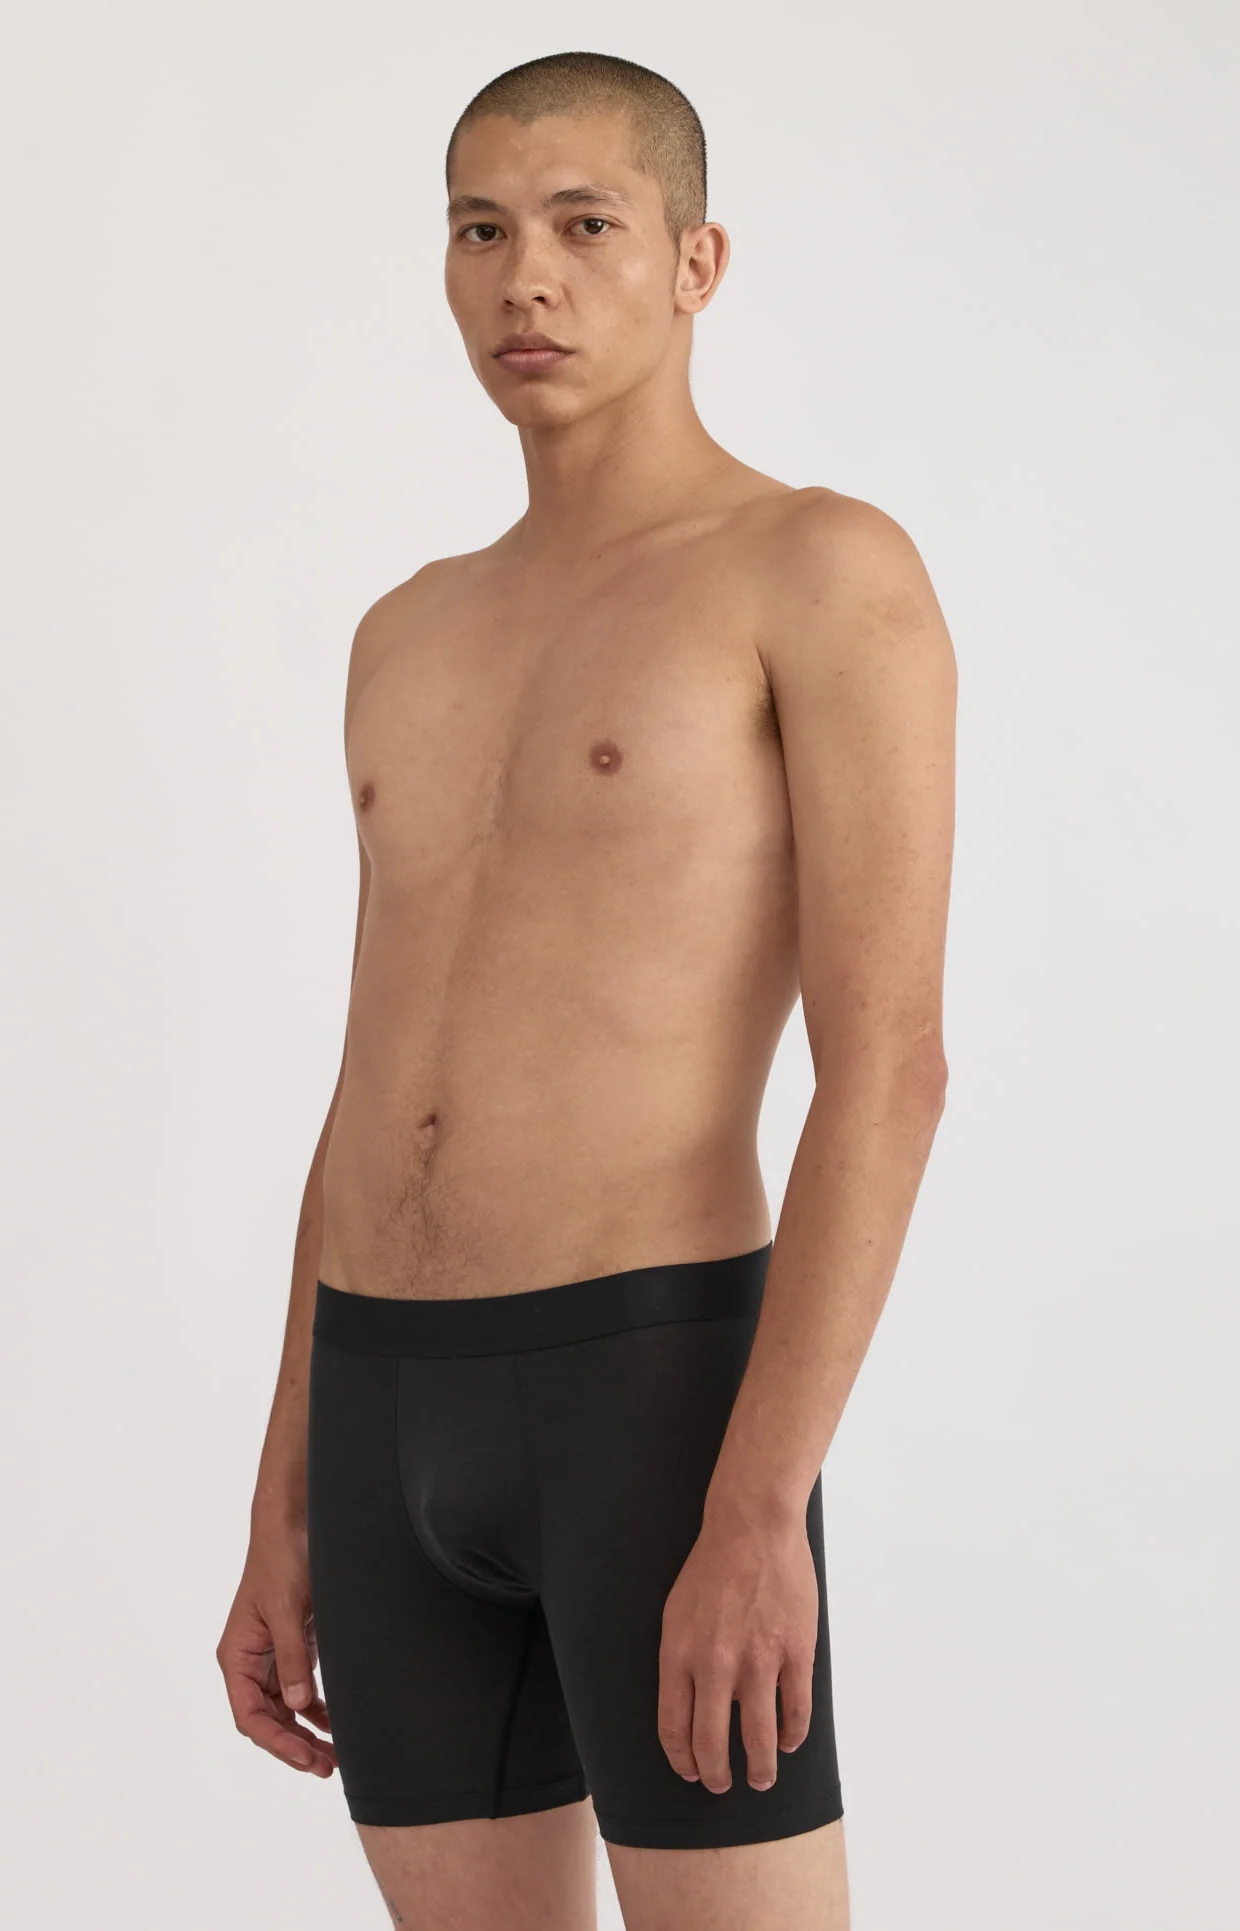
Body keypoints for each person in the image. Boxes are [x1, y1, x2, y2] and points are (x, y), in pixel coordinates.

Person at [217, 49, 957, 1931]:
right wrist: (286, 1486)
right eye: (480, 231)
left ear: (697, 261)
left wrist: (760, 1502)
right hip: (383, 1401)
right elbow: (367, 1078)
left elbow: (889, 1071)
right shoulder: (406, 631)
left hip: (651, 1398)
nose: (524, 277)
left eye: (582, 225)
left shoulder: (817, 571)